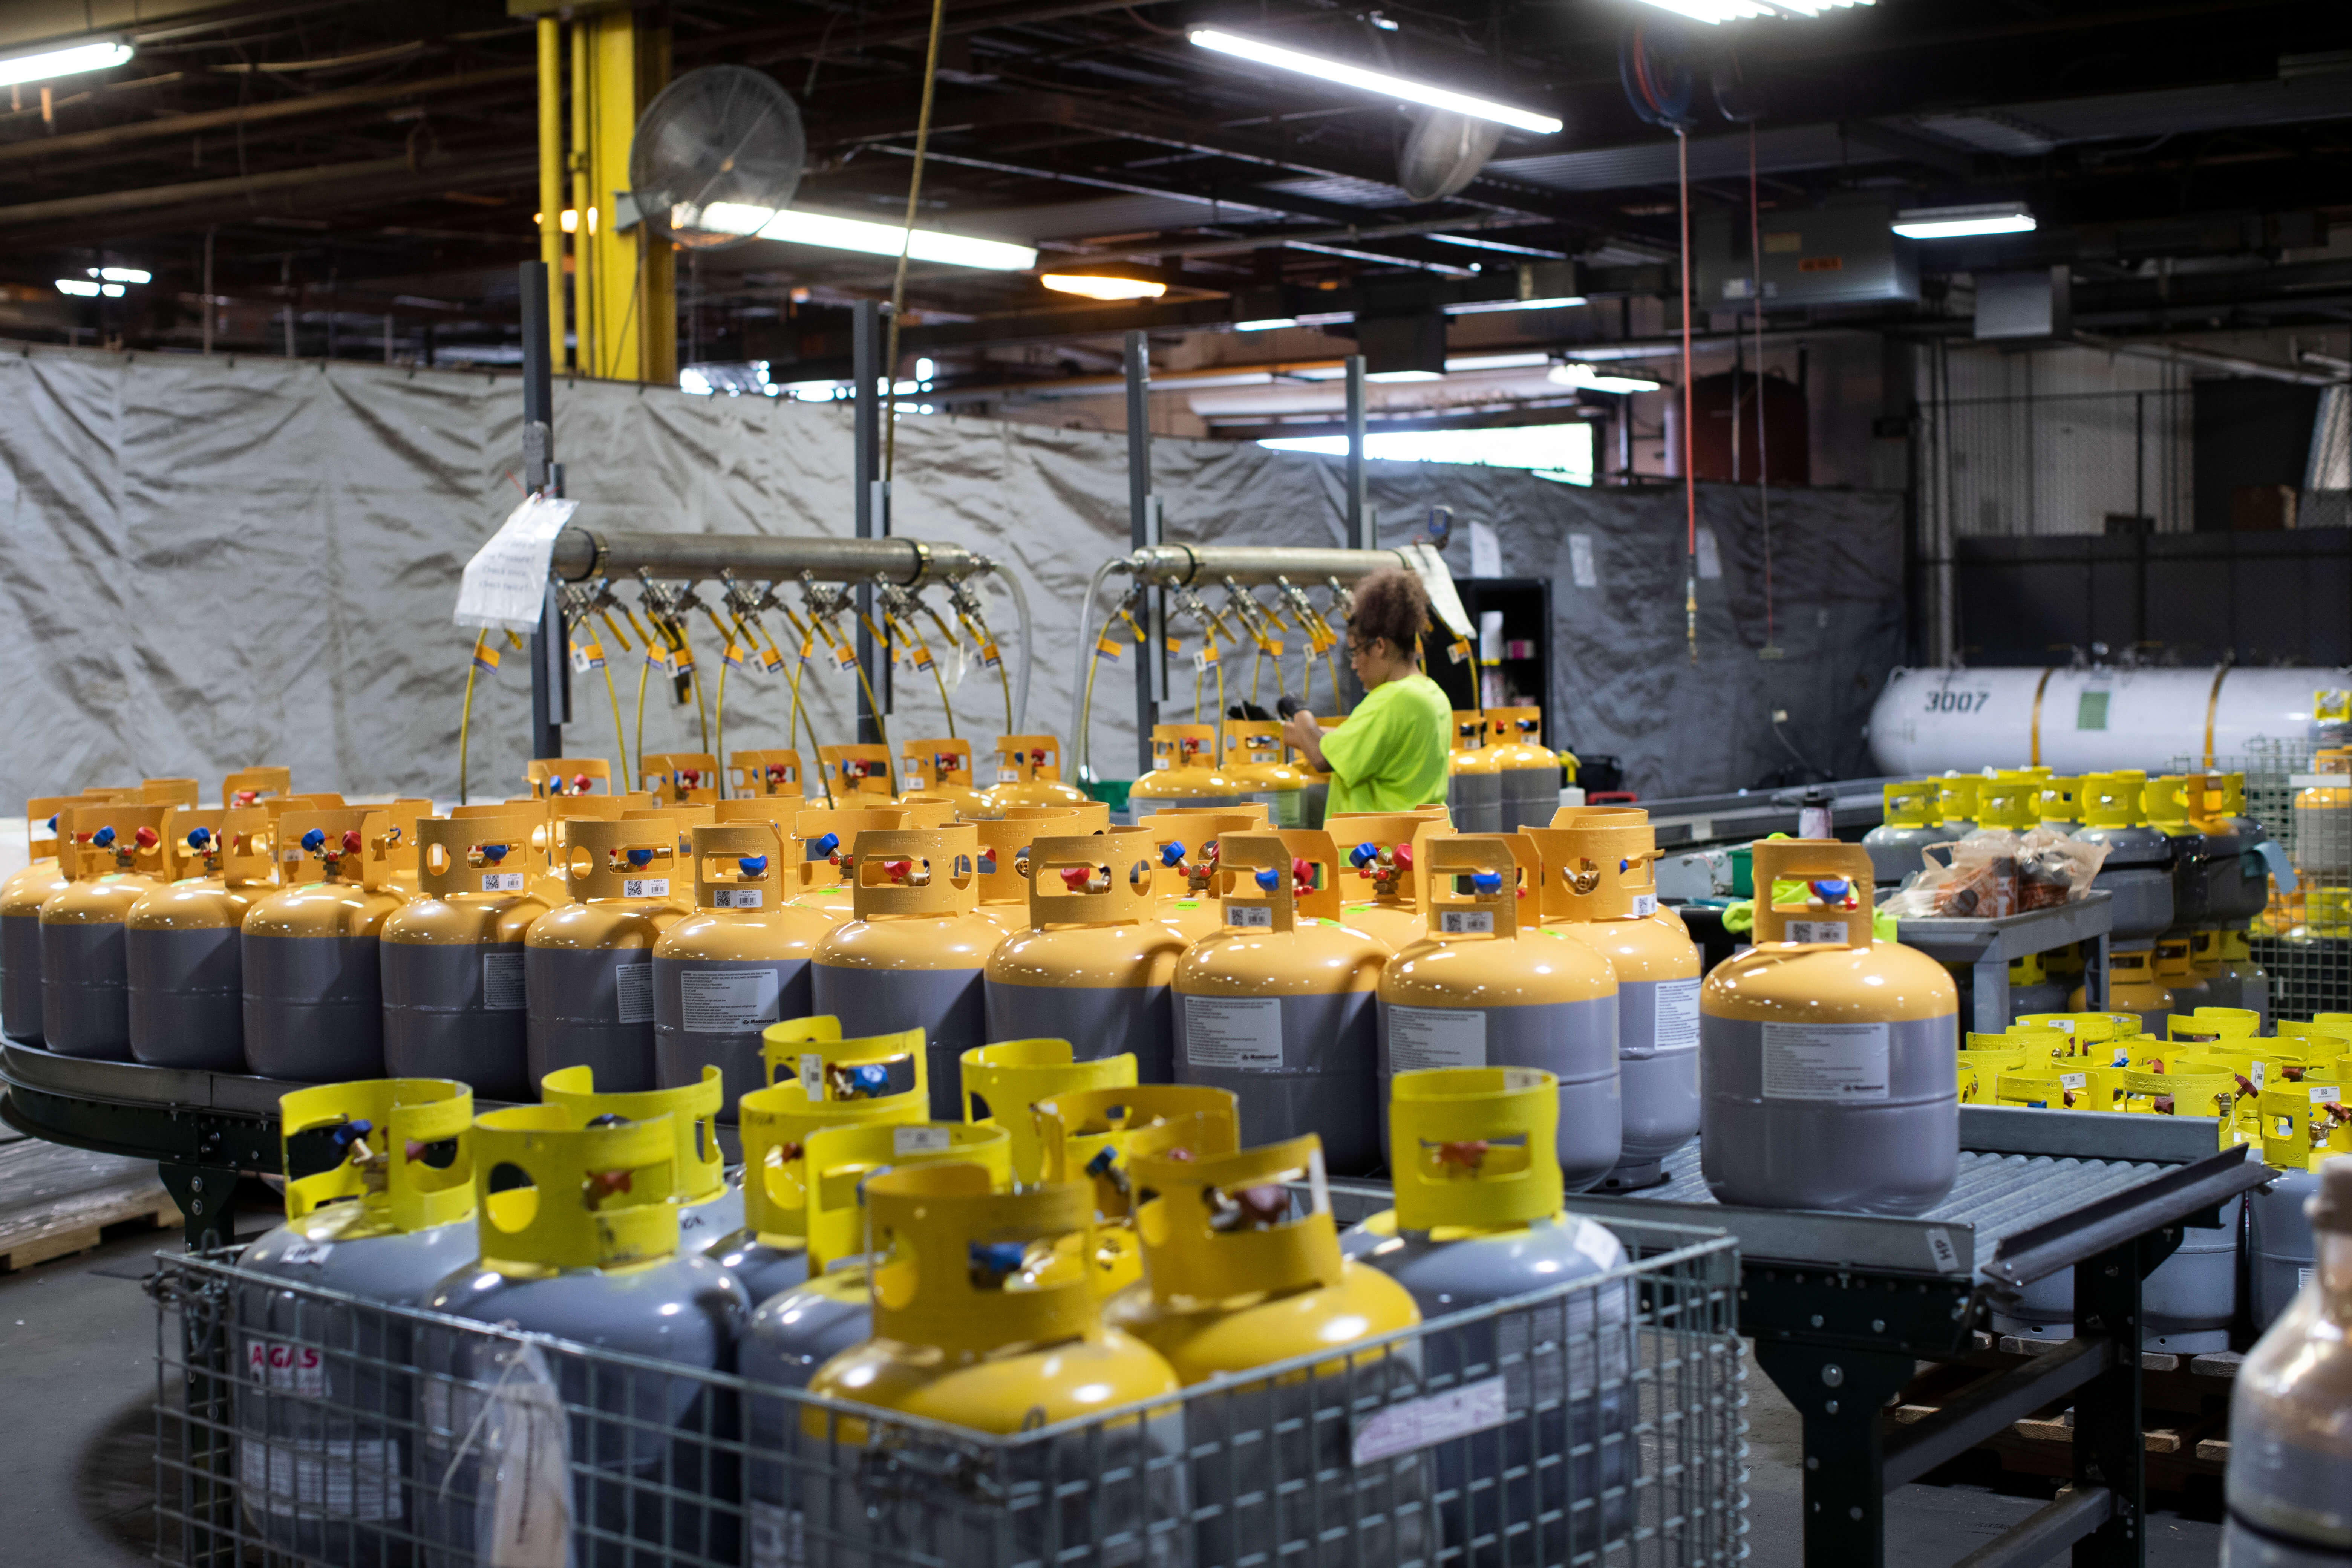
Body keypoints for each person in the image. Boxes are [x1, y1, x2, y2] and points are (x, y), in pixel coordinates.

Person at [1280, 568, 1451, 816]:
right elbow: (1346, 741)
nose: (1353, 664)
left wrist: (1298, 710)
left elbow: (1321, 756)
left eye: (1356, 651)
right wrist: (1273, 729)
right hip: (1416, 846)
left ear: (1380, 646)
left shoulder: (1393, 699)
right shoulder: (1432, 695)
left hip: (1382, 851)